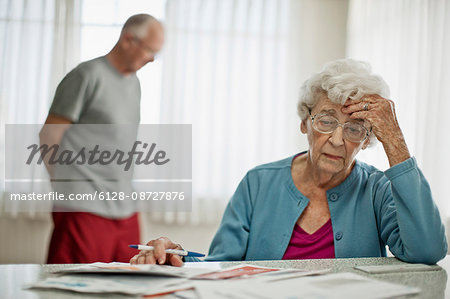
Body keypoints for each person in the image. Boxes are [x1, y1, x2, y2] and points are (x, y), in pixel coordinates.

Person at [130, 59, 447, 266]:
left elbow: (428, 250)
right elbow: (220, 264)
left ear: (367, 140)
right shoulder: (258, 182)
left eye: (353, 128)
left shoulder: (378, 189)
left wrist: (395, 140)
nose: (337, 140)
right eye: (326, 121)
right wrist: (173, 256)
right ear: (305, 124)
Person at [40, 14, 164, 263]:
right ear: (129, 39)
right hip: (84, 207)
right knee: (76, 286)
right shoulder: (86, 75)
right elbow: (49, 134)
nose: (151, 59)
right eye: (150, 50)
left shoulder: (135, 83)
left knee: (128, 282)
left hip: (124, 208)